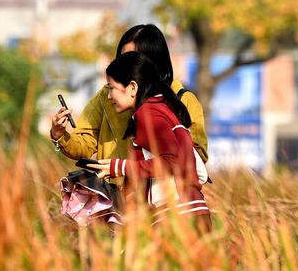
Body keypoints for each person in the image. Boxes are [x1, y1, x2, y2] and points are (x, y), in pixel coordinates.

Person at [50, 24, 209, 167]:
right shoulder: (107, 95)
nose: (124, 65)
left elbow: (198, 158)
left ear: (153, 62)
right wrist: (60, 135)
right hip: (114, 189)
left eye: (132, 59)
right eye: (122, 58)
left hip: (161, 190)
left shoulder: (183, 99)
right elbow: (84, 143)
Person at [86, 52, 211, 228]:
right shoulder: (161, 107)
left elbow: (172, 161)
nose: (109, 96)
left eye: (111, 88)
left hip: (178, 218)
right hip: (193, 214)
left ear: (132, 87)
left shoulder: (148, 112)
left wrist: (120, 167)